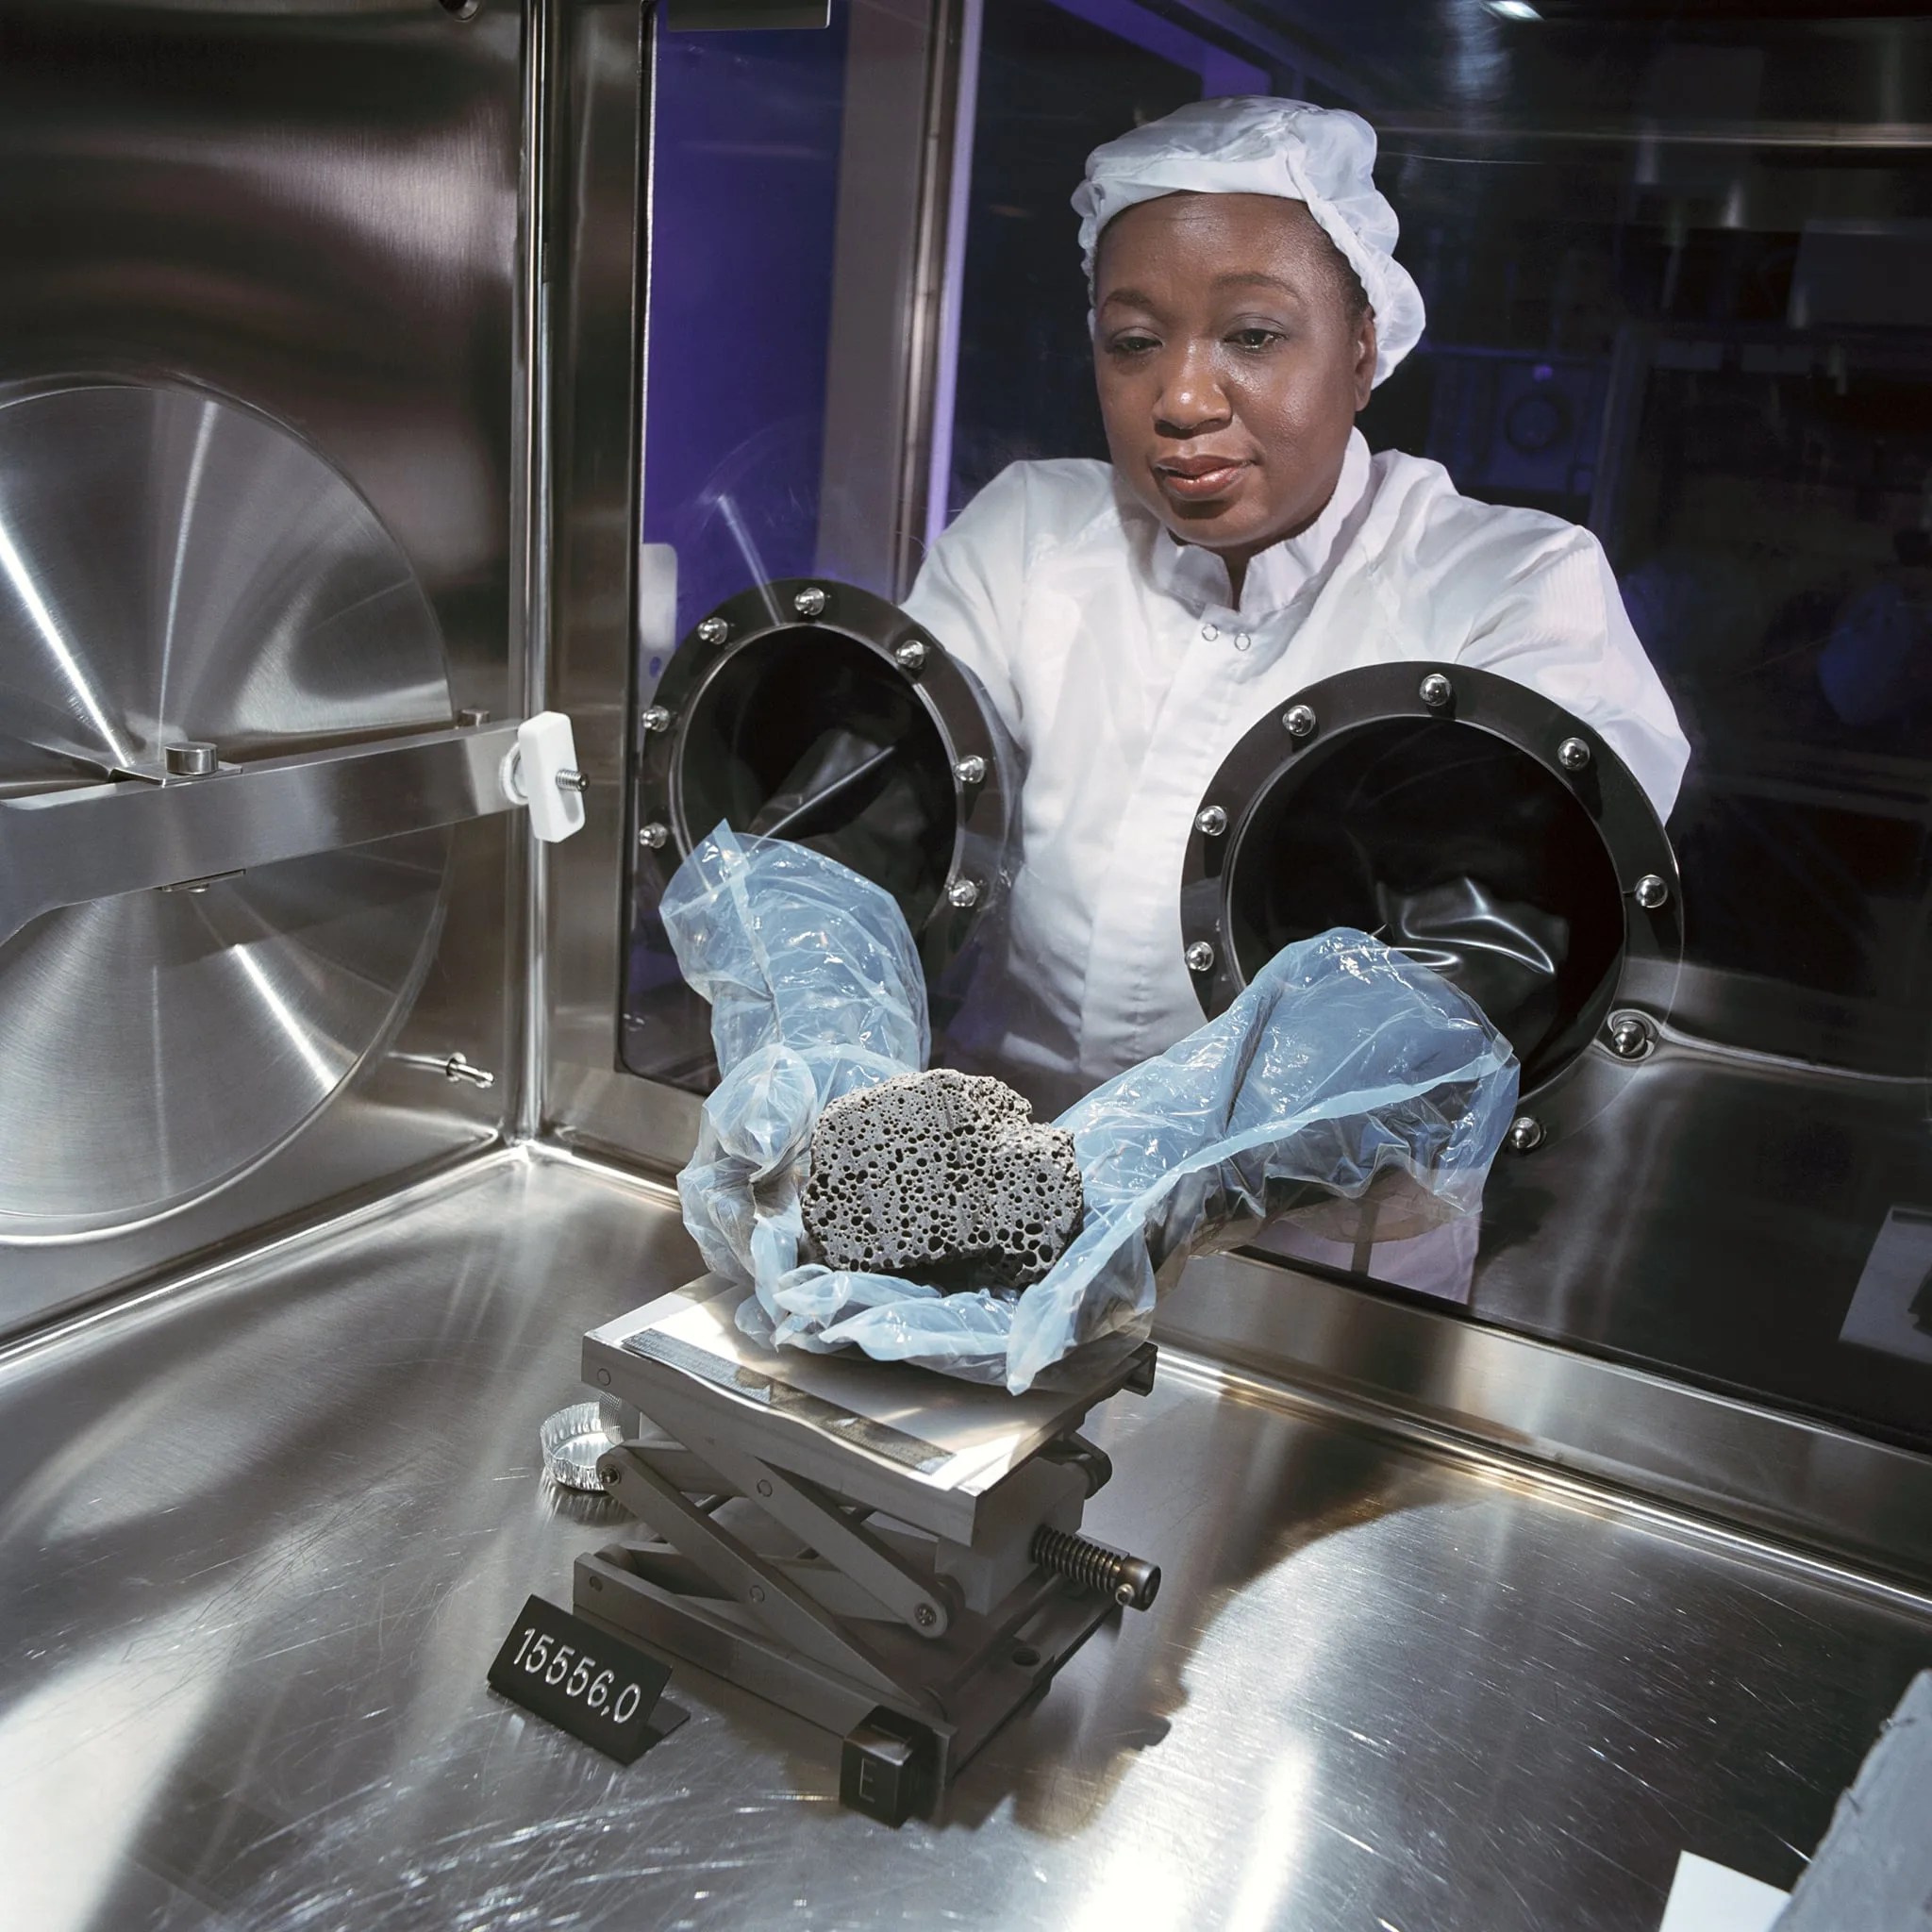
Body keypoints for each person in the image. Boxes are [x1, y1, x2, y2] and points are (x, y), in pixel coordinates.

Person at [904, 96, 1689, 1117]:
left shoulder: (1512, 589)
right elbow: (890, 815)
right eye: (1133, 341)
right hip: (990, 1190)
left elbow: (1499, 961)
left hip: (1323, 1242)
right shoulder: (1027, 538)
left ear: (1361, 352)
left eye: (1253, 333)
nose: (1182, 399)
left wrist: (1195, 1160)